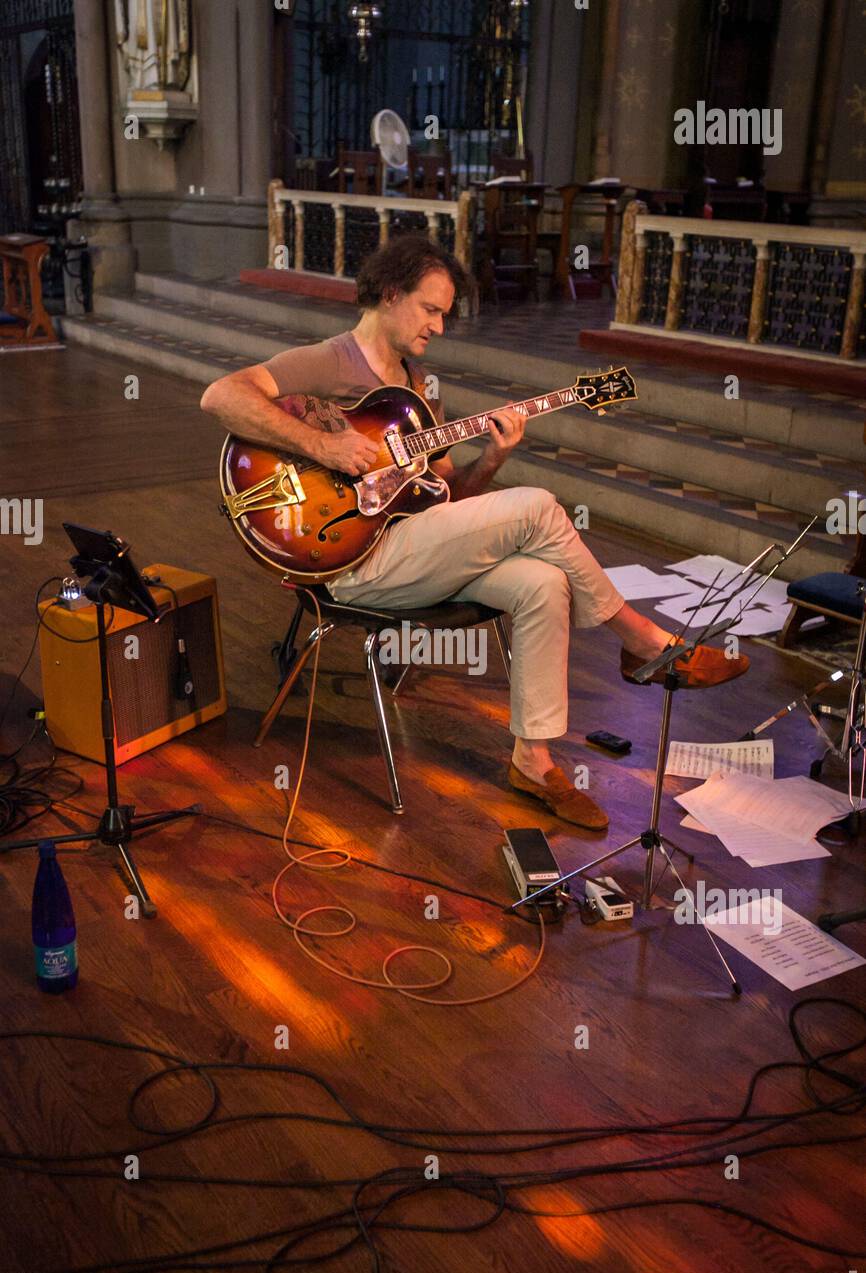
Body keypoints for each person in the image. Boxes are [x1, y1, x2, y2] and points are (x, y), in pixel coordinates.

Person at [201, 235, 748, 830]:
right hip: (353, 561)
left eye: (445, 314)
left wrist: (491, 458)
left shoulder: (415, 387)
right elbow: (221, 395)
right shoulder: (331, 360)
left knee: (542, 583)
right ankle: (645, 643)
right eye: (430, 309)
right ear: (389, 295)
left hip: (414, 547)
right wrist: (324, 443)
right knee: (539, 505)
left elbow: (447, 498)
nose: (439, 325)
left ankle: (532, 761)